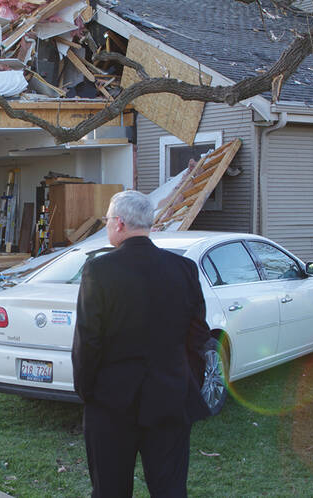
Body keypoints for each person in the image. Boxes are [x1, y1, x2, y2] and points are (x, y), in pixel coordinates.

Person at [71, 190, 211, 497]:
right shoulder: (183, 269)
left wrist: (86, 391)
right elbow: (198, 334)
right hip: (170, 395)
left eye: (107, 220)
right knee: (170, 489)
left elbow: (88, 340)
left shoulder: (99, 270)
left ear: (118, 223)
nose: (107, 225)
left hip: (111, 402)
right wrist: (185, 379)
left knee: (110, 490)